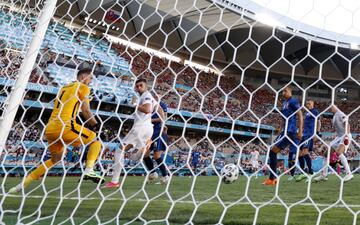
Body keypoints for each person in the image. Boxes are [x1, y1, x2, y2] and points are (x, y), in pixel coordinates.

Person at [9, 69, 104, 194]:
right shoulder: (83, 87)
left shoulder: (64, 87)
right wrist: (96, 125)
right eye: (90, 78)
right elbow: (85, 110)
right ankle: (89, 170)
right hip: (65, 126)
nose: (91, 81)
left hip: (50, 128)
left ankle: (21, 185)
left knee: (55, 159)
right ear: (84, 76)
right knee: (95, 141)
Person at [104, 79, 163, 188]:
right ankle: (143, 149)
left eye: (141, 85)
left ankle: (114, 181)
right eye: (137, 86)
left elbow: (147, 109)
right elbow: (159, 109)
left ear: (146, 86)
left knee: (119, 151)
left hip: (140, 128)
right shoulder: (151, 98)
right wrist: (162, 121)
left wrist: (135, 104)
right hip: (148, 129)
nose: (139, 88)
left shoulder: (146, 95)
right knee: (134, 157)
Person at [263, 86, 303, 186]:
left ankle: (272, 179)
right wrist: (280, 129)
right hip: (285, 131)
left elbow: (300, 115)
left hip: (290, 131)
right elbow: (284, 118)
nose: (283, 93)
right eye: (282, 91)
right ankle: (273, 178)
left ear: (290, 91)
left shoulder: (293, 101)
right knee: (272, 152)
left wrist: (300, 131)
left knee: (272, 152)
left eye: (285, 91)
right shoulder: (285, 103)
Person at [313, 105, 353, 182]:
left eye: (332, 107)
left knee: (339, 152)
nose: (331, 109)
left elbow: (347, 124)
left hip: (345, 135)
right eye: (330, 107)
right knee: (326, 154)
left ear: (336, 107)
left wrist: (346, 137)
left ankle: (349, 173)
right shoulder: (334, 116)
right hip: (339, 137)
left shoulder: (340, 114)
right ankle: (324, 175)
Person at [143, 100, 169, 184]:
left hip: (159, 132)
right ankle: (153, 173)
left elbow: (163, 118)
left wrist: (150, 120)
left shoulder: (161, 104)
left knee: (156, 156)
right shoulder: (147, 104)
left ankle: (165, 176)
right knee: (145, 154)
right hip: (150, 133)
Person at [295, 100, 320, 182]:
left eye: (309, 104)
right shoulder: (306, 113)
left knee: (305, 152)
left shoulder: (315, 111)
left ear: (313, 104)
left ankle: (311, 172)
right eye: (307, 104)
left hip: (309, 135)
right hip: (304, 135)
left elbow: (319, 122)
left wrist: (317, 133)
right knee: (299, 153)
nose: (307, 105)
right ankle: (303, 172)